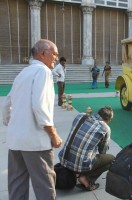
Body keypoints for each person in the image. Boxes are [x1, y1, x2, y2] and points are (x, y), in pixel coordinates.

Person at [1, 39, 63, 200]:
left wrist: (13, 124)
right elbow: (39, 106)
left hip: (16, 140)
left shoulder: (24, 72)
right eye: (55, 54)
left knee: (17, 185)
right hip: (36, 141)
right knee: (45, 186)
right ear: (43, 53)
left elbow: (7, 104)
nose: (56, 58)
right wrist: (53, 133)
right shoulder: (43, 72)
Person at [58, 106, 115, 191]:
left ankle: (77, 172)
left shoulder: (81, 116)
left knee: (84, 150)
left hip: (64, 158)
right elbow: (103, 151)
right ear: (108, 119)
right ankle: (86, 178)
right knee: (111, 159)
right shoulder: (105, 128)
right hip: (80, 164)